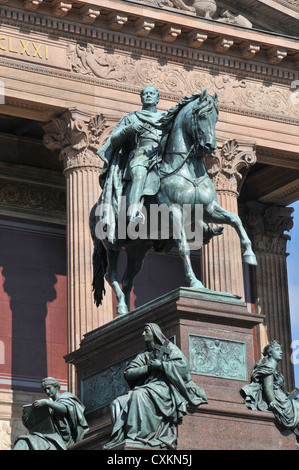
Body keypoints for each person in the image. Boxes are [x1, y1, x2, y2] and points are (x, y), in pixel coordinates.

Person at [103, 323, 207, 450]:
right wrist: (147, 368)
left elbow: (183, 368)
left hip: (166, 387)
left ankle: (138, 436)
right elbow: (128, 373)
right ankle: (119, 439)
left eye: (146, 331)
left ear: (155, 333)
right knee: (116, 403)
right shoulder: (145, 355)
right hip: (151, 387)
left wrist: (161, 365)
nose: (143, 334)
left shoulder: (169, 348)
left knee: (139, 395)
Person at [97, 86, 165, 225]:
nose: (148, 96)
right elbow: (114, 140)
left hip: (163, 155)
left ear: (158, 98)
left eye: (151, 93)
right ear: (141, 98)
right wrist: (129, 129)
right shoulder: (132, 118)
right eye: (145, 94)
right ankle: (134, 212)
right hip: (140, 155)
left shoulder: (166, 118)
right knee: (139, 174)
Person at [241, 340, 299, 438]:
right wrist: (272, 402)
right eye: (277, 349)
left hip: (281, 398)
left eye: (280, 350)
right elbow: (268, 388)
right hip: (278, 400)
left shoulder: (273, 369)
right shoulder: (268, 367)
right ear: (270, 353)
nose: (280, 352)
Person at [13, 377, 89, 450]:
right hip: (52, 438)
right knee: (23, 441)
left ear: (56, 387)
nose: (47, 392)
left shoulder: (66, 396)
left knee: (25, 441)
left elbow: (64, 409)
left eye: (49, 388)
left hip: (65, 440)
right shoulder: (49, 407)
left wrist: (47, 402)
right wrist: (27, 419)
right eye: (45, 390)